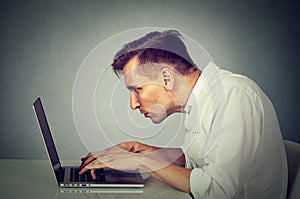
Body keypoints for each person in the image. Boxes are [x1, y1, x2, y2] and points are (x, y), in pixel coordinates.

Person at [79, 30, 287, 198]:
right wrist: (143, 150)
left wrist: (142, 162)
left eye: (137, 89)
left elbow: (217, 191)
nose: (133, 104)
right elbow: (193, 161)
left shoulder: (232, 95)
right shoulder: (200, 100)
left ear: (167, 78)